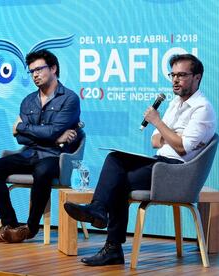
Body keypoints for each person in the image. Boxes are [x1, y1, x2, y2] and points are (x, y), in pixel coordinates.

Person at [64, 54, 216, 266]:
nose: (175, 80)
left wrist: (158, 122)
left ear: (197, 77)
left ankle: (110, 240)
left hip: (178, 172)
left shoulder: (202, 108)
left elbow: (182, 148)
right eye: (173, 75)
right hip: (162, 162)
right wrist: (171, 133)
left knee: (119, 181)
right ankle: (101, 216)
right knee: (115, 158)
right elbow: (156, 141)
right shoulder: (175, 103)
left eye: (182, 75)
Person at [0, 49, 81, 243]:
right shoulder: (28, 101)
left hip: (56, 157)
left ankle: (30, 228)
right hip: (30, 153)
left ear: (53, 68)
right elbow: (22, 139)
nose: (35, 74)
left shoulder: (69, 99)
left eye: (39, 69)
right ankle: (10, 226)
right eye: (31, 71)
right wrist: (54, 135)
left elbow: (35, 131)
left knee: (43, 171)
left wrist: (22, 126)